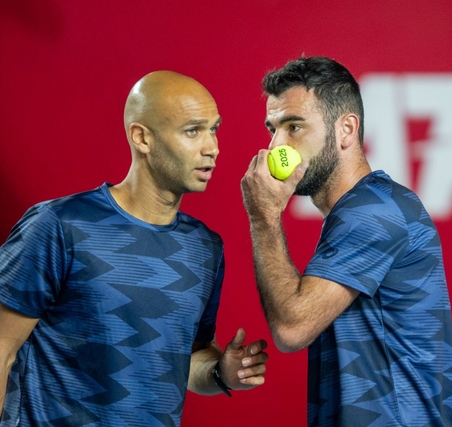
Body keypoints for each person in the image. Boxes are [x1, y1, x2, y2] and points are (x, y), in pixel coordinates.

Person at [0, 71, 268, 426]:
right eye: (193, 131)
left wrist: (220, 372)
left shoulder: (205, 247)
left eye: (213, 129)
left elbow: (188, 358)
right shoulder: (59, 225)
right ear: (142, 138)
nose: (212, 148)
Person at [241, 56, 452, 426]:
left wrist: (263, 214)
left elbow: (292, 328)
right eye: (273, 129)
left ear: (346, 129)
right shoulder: (360, 209)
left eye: (294, 126)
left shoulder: (374, 211)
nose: (277, 145)